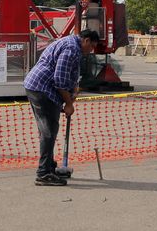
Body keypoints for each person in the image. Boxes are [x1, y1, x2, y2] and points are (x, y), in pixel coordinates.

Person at [23, 29, 100, 186]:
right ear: (86, 41)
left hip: (41, 88)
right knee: (48, 131)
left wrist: (75, 88)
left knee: (50, 129)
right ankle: (43, 173)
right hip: (41, 89)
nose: (91, 51)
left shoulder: (73, 44)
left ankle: (49, 167)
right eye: (91, 47)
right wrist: (69, 104)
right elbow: (59, 80)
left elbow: (69, 74)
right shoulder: (71, 49)